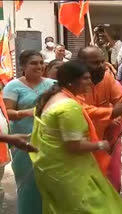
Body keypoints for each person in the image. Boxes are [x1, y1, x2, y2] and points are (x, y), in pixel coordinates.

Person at [29, 60, 122, 214]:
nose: (90, 82)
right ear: (71, 81)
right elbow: (74, 146)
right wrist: (101, 145)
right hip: (68, 171)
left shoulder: (54, 96)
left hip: (51, 166)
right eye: (85, 78)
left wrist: (114, 112)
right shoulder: (69, 106)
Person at [3, 50, 56, 214]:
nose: (39, 66)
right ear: (23, 67)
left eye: (41, 62)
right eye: (34, 63)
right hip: (23, 143)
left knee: (52, 188)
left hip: (51, 144)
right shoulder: (13, 86)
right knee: (28, 187)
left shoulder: (53, 84)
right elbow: (7, 113)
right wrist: (28, 112)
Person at [77, 46, 122, 192]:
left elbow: (120, 99)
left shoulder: (107, 77)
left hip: (106, 140)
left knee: (110, 180)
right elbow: (80, 108)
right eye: (96, 63)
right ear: (81, 64)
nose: (102, 66)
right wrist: (111, 113)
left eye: (103, 61)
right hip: (79, 143)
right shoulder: (73, 82)